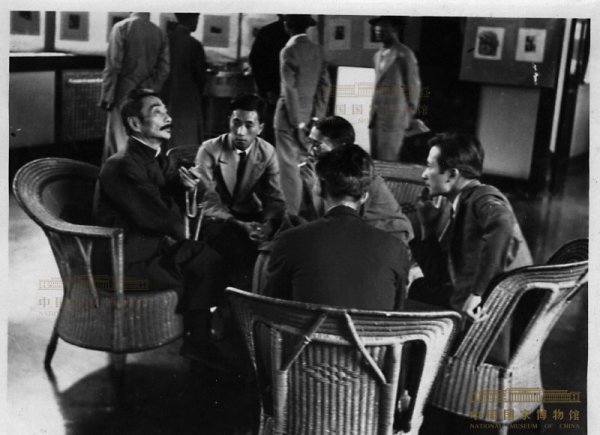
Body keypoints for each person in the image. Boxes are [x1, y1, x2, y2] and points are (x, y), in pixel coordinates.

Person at [92, 88, 227, 361]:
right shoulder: (122, 165)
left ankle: (203, 334)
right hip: (124, 265)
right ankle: (199, 340)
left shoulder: (155, 158)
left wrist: (187, 188)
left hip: (150, 252)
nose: (168, 118)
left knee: (221, 243)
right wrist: (177, 196)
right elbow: (163, 220)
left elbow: (176, 197)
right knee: (205, 261)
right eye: (157, 112)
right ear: (134, 123)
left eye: (166, 111)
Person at [409, 132, 532, 366]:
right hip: (480, 305)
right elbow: (438, 275)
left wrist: (477, 294)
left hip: (492, 318)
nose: (424, 174)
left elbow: (502, 223)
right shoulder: (459, 203)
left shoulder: (482, 196)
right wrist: (427, 226)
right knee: (419, 288)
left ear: (452, 174)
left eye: (430, 166)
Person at [266, 144, 410, 310]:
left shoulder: (290, 240)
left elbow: (271, 309)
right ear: (364, 196)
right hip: (370, 328)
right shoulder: (396, 248)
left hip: (310, 327)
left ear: (319, 187)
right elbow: (396, 312)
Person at [192, 93, 286, 290]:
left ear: (260, 128)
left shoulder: (267, 151)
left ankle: (257, 296)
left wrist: (268, 225)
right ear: (229, 121)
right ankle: (234, 298)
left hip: (251, 215)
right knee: (232, 245)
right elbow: (208, 198)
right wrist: (239, 224)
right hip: (217, 217)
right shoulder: (209, 149)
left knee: (282, 240)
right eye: (236, 123)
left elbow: (274, 198)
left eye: (249, 125)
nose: (240, 132)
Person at [302, 115, 414, 244]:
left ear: (341, 147)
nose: (310, 151)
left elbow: (340, 221)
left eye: (317, 145)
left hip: (388, 240)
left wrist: (314, 190)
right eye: (310, 142)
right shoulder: (319, 172)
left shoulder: (359, 176)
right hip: (352, 237)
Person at [274, 14, 331, 215]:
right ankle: (310, 213)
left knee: (289, 171)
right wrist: (316, 119)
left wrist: (297, 123)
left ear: (287, 25)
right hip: (311, 118)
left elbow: (289, 90)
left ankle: (291, 217)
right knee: (307, 166)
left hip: (288, 119)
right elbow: (325, 86)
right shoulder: (318, 50)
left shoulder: (288, 51)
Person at [99, 12, 170, 162]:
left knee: (118, 140)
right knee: (144, 139)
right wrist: (148, 88)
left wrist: (107, 97)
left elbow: (113, 66)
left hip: (123, 92)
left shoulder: (121, 27)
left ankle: (117, 174)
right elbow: (164, 69)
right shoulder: (159, 32)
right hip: (147, 96)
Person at [368, 16, 421, 162]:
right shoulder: (378, 55)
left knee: (388, 162)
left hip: (394, 120)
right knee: (375, 162)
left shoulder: (405, 54)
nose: (378, 29)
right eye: (377, 26)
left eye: (384, 26)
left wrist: (405, 118)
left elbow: (413, 89)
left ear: (395, 28)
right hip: (376, 118)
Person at [161, 12, 207, 149]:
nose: (197, 22)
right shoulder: (194, 45)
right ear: (191, 19)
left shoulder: (165, 41)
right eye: (196, 18)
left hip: (165, 96)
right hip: (187, 99)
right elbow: (201, 77)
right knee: (186, 140)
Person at [248, 15, 289, 145]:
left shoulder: (267, 31)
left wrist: (264, 89)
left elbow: (255, 61)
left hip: (273, 90)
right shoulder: (271, 32)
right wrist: (266, 89)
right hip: (276, 90)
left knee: (272, 130)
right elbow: (256, 61)